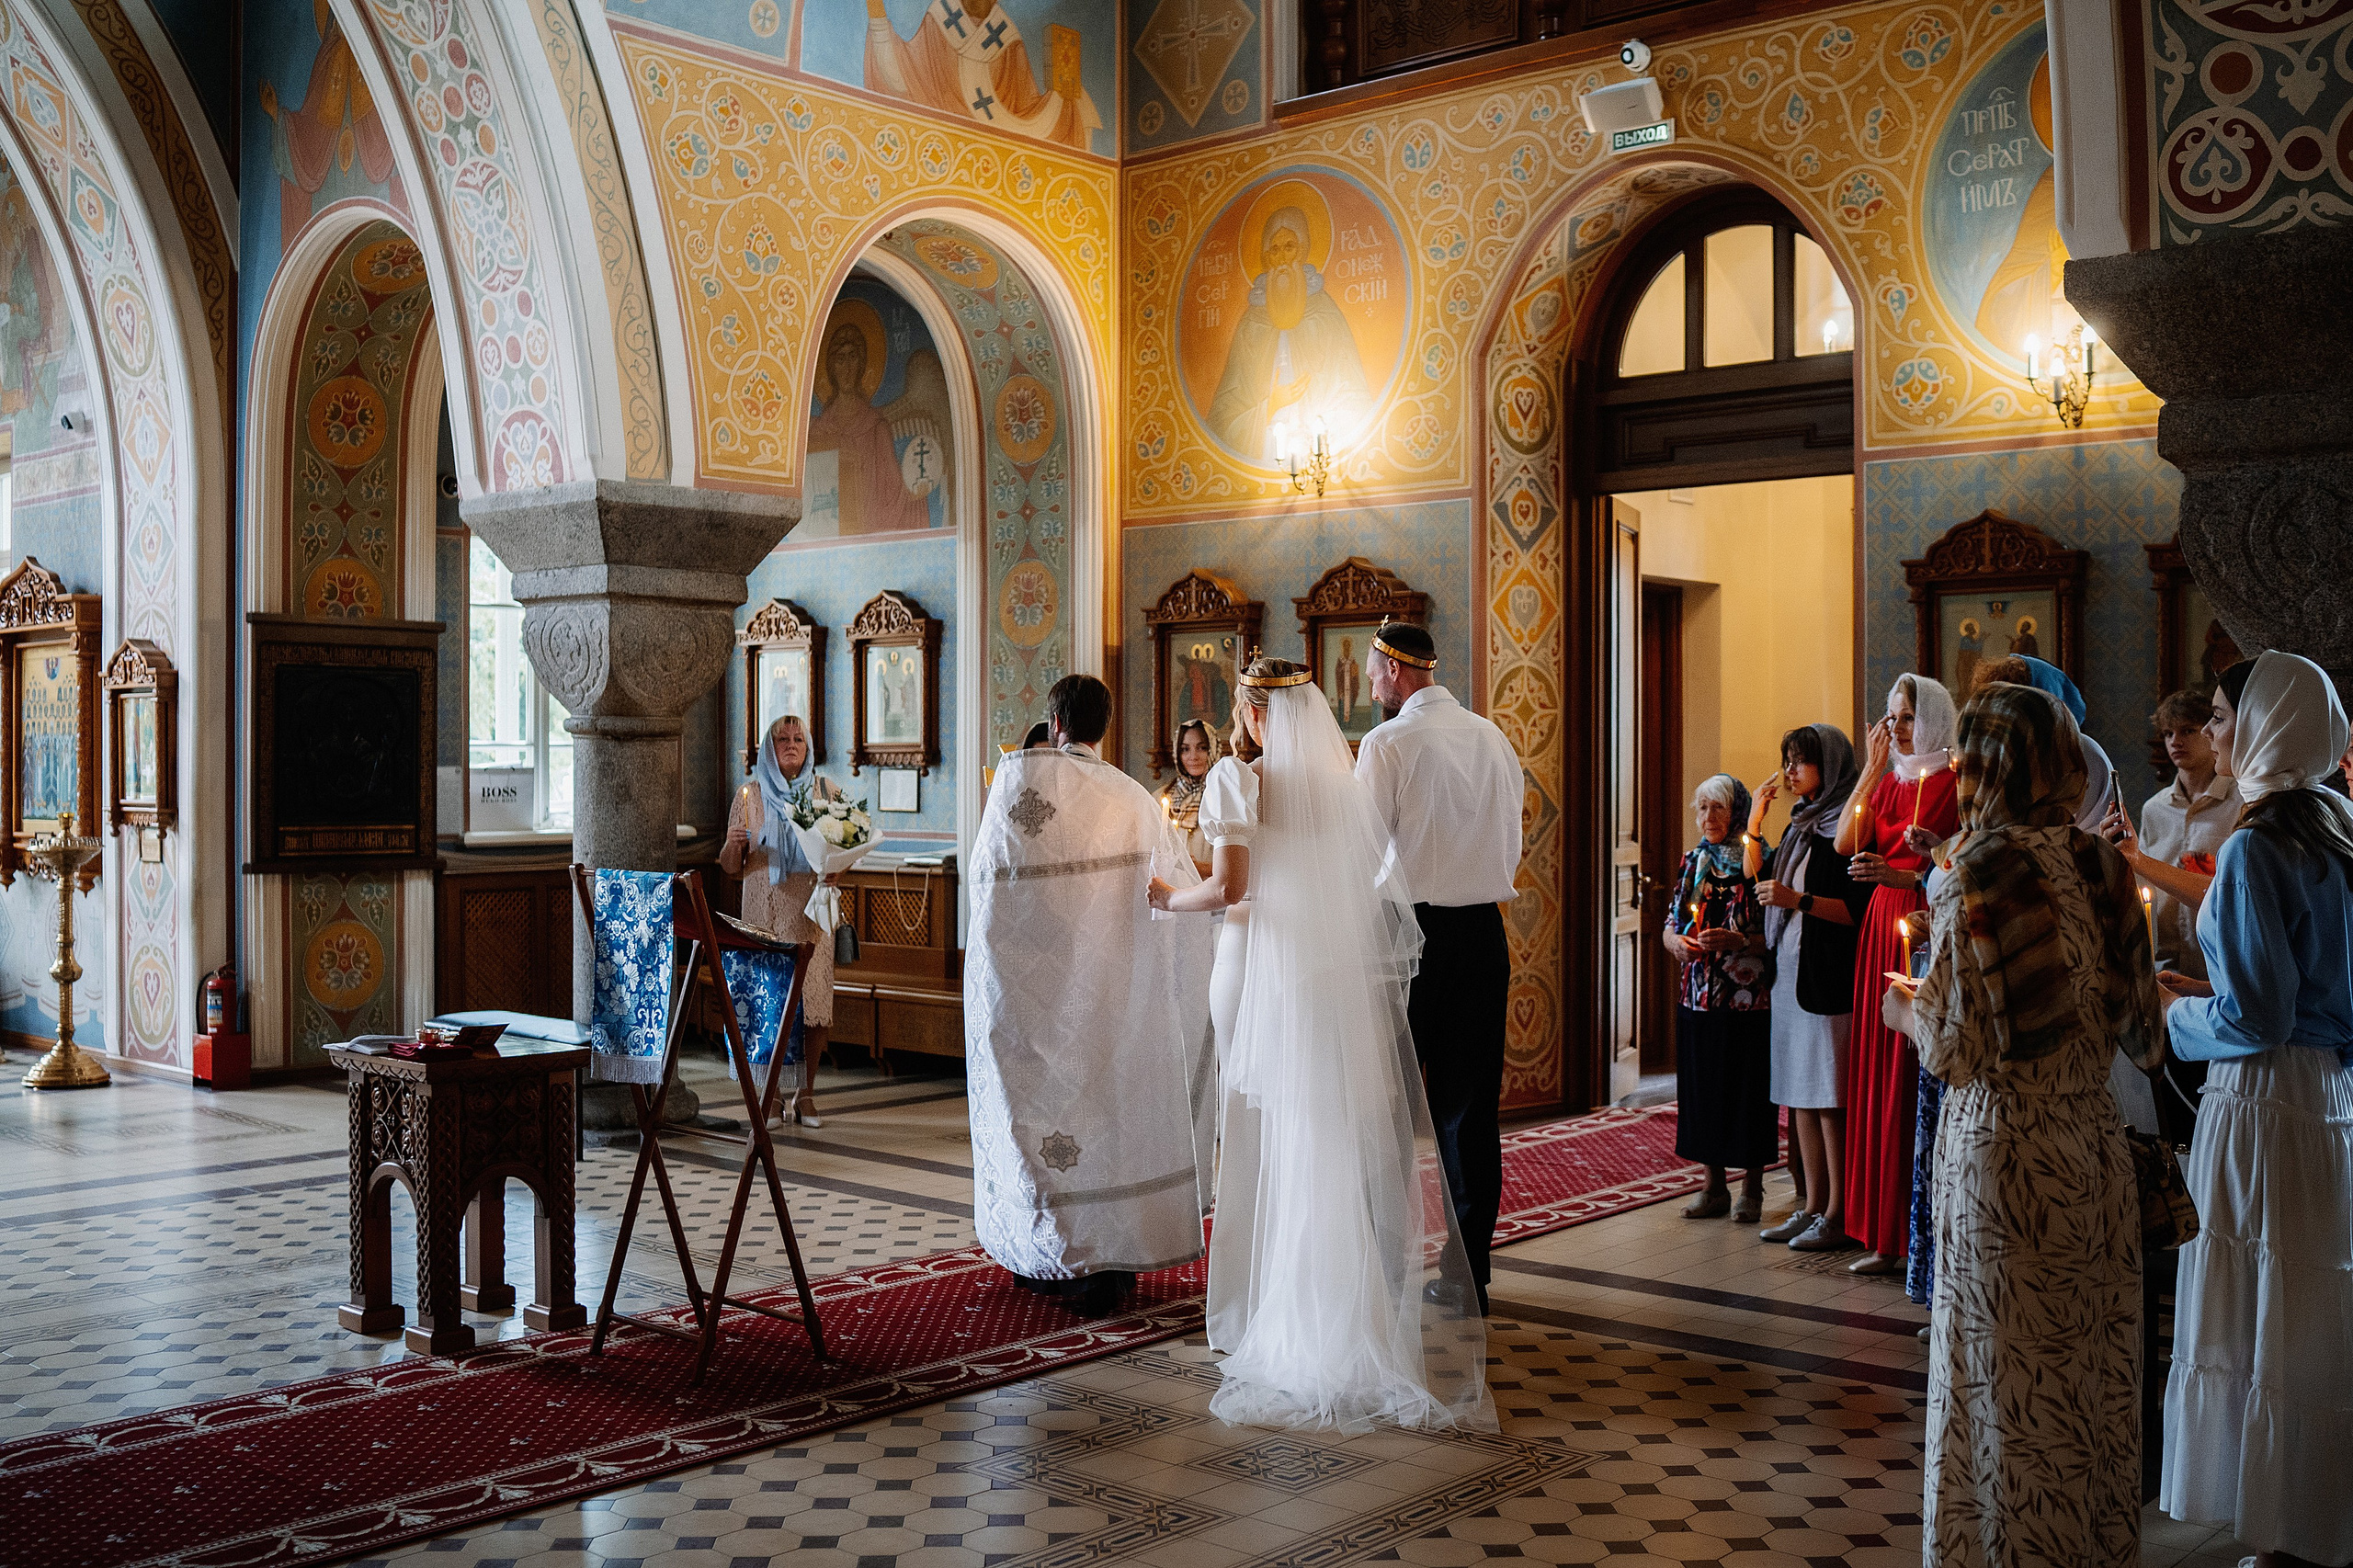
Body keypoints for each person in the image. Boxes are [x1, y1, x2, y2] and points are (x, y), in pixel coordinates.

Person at [1152, 656, 1495, 1433]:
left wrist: (1172, 898)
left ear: (1250, 710)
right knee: (1323, 1136)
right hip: (1323, 970)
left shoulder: (1241, 781)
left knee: (1261, 1138)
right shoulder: (1338, 783)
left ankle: (1270, 1310)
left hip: (1255, 963)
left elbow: (1232, 887)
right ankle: (1339, 1313)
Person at [1885, 680, 2165, 1568]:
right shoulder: (2106, 865)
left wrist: (1905, 1009)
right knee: (2086, 1375)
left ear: (1987, 766)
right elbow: (2147, 1038)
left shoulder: (1977, 872)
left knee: (2002, 1381)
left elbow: (1956, 1048)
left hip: (2003, 1156)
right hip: (2093, 1143)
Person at [2158, 651, 2353, 1568]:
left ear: (2269, 724)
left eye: (2228, 717)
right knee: (2314, 1304)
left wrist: (2173, 1012)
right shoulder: (2339, 826)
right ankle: (2319, 1511)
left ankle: (2277, 1533)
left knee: (2261, 1304)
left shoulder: (2252, 845)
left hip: (2264, 1099)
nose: (2222, 733)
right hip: (2330, 1097)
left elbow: (2254, 1014)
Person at [964, 675, 1203, 1312]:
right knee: (1104, 1121)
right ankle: (1110, 1259)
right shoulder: (1131, 799)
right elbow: (1174, 895)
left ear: (1056, 722)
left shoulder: (1019, 791)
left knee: (1038, 1124)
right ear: (1103, 726)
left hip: (1030, 999)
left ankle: (1050, 1254)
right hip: (1108, 998)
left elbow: (986, 895)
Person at [1353, 621, 1525, 1310]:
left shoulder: (1386, 743)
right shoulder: (1493, 737)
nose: (1368, 683)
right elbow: (1510, 838)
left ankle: (1385, 1269)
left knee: (1388, 1110)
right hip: (1483, 934)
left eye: (1371, 670)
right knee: (1469, 1113)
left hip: (1406, 938)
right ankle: (1468, 1273)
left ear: (1396, 669)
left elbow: (1360, 854)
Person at [1833, 673, 1961, 1277]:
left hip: (1924, 920)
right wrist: (1870, 765)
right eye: (1889, 717)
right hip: (1877, 930)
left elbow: (1957, 864)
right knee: (1876, 1074)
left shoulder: (1956, 782)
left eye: (1906, 717)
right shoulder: (1890, 783)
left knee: (1908, 1081)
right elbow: (1843, 844)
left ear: (1932, 717)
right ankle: (1877, 1231)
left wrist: (1905, 876)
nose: (1896, 728)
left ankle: (1908, 1235)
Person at [1745, 725, 1870, 1249]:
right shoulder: (1800, 826)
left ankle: (1838, 1212)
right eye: (1787, 760)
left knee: (1826, 1096)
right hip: (1792, 971)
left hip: (1828, 975)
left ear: (1832, 765)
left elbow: (1856, 912)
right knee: (1799, 1093)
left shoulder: (1846, 829)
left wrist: (1797, 900)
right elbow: (1762, 882)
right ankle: (1810, 1205)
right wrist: (1754, 821)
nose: (1791, 771)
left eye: (1801, 761)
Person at [719, 714, 842, 1127]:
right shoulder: (749, 796)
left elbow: (842, 850)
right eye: (782, 739)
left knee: (813, 1007)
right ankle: (768, 1097)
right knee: (766, 1007)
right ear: (767, 750)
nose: (791, 745)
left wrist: (839, 866)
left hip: (811, 914)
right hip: (763, 914)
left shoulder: (826, 791)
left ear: (808, 747)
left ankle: (805, 1094)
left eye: (798, 739)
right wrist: (732, 847)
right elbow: (730, 867)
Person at [1664, 775, 1776, 1222]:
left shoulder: (1759, 861)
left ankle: (1752, 1187)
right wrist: (1675, 943)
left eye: (1719, 809)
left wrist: (1740, 942)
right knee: (1703, 1088)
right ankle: (1712, 1186)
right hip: (1699, 996)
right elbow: (1673, 923)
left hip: (1748, 999)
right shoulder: (1693, 862)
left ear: (1739, 814)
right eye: (1703, 809)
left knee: (1748, 1089)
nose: (1709, 818)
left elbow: (1776, 933)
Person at [2131, 689, 2238, 978]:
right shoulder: (2155, 808)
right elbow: (2145, 882)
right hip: (2164, 958)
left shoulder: (2239, 802)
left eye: (2187, 731)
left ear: (2210, 731)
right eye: (2168, 734)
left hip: (2217, 959)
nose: (2175, 742)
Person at [1158, 718, 1220, 878]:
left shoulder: (1224, 798)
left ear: (1213, 749)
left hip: (1212, 893)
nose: (1193, 756)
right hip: (1172, 891)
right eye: (1185, 749)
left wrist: (1200, 868)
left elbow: (1241, 865)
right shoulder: (1160, 797)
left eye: (1202, 748)